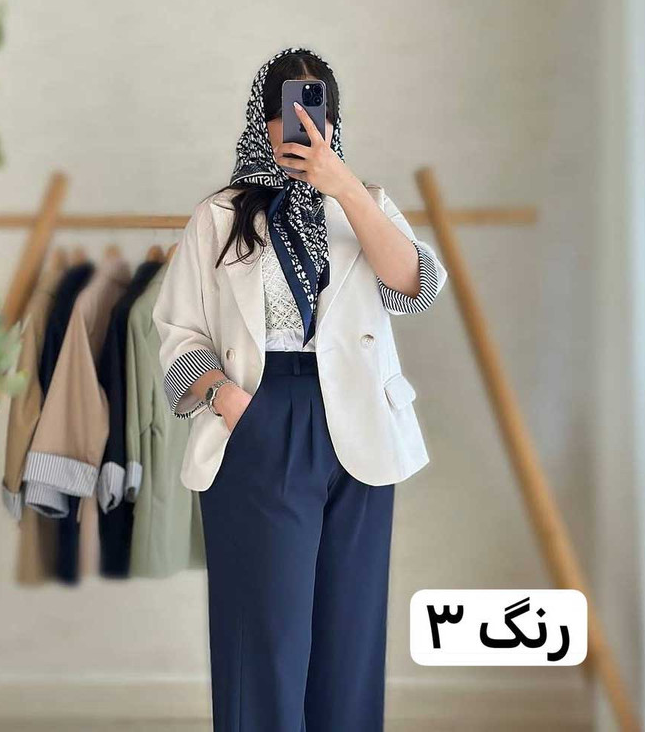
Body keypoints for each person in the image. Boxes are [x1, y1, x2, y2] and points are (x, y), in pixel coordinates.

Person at [153, 46, 448, 732]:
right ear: (264, 120)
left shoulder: (366, 205)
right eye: (289, 109)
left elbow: (417, 288)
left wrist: (346, 188)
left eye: (319, 109)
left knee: (350, 636)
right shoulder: (220, 216)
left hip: (361, 426)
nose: (306, 125)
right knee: (265, 634)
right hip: (261, 418)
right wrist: (228, 401)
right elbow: (176, 332)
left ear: (336, 120)